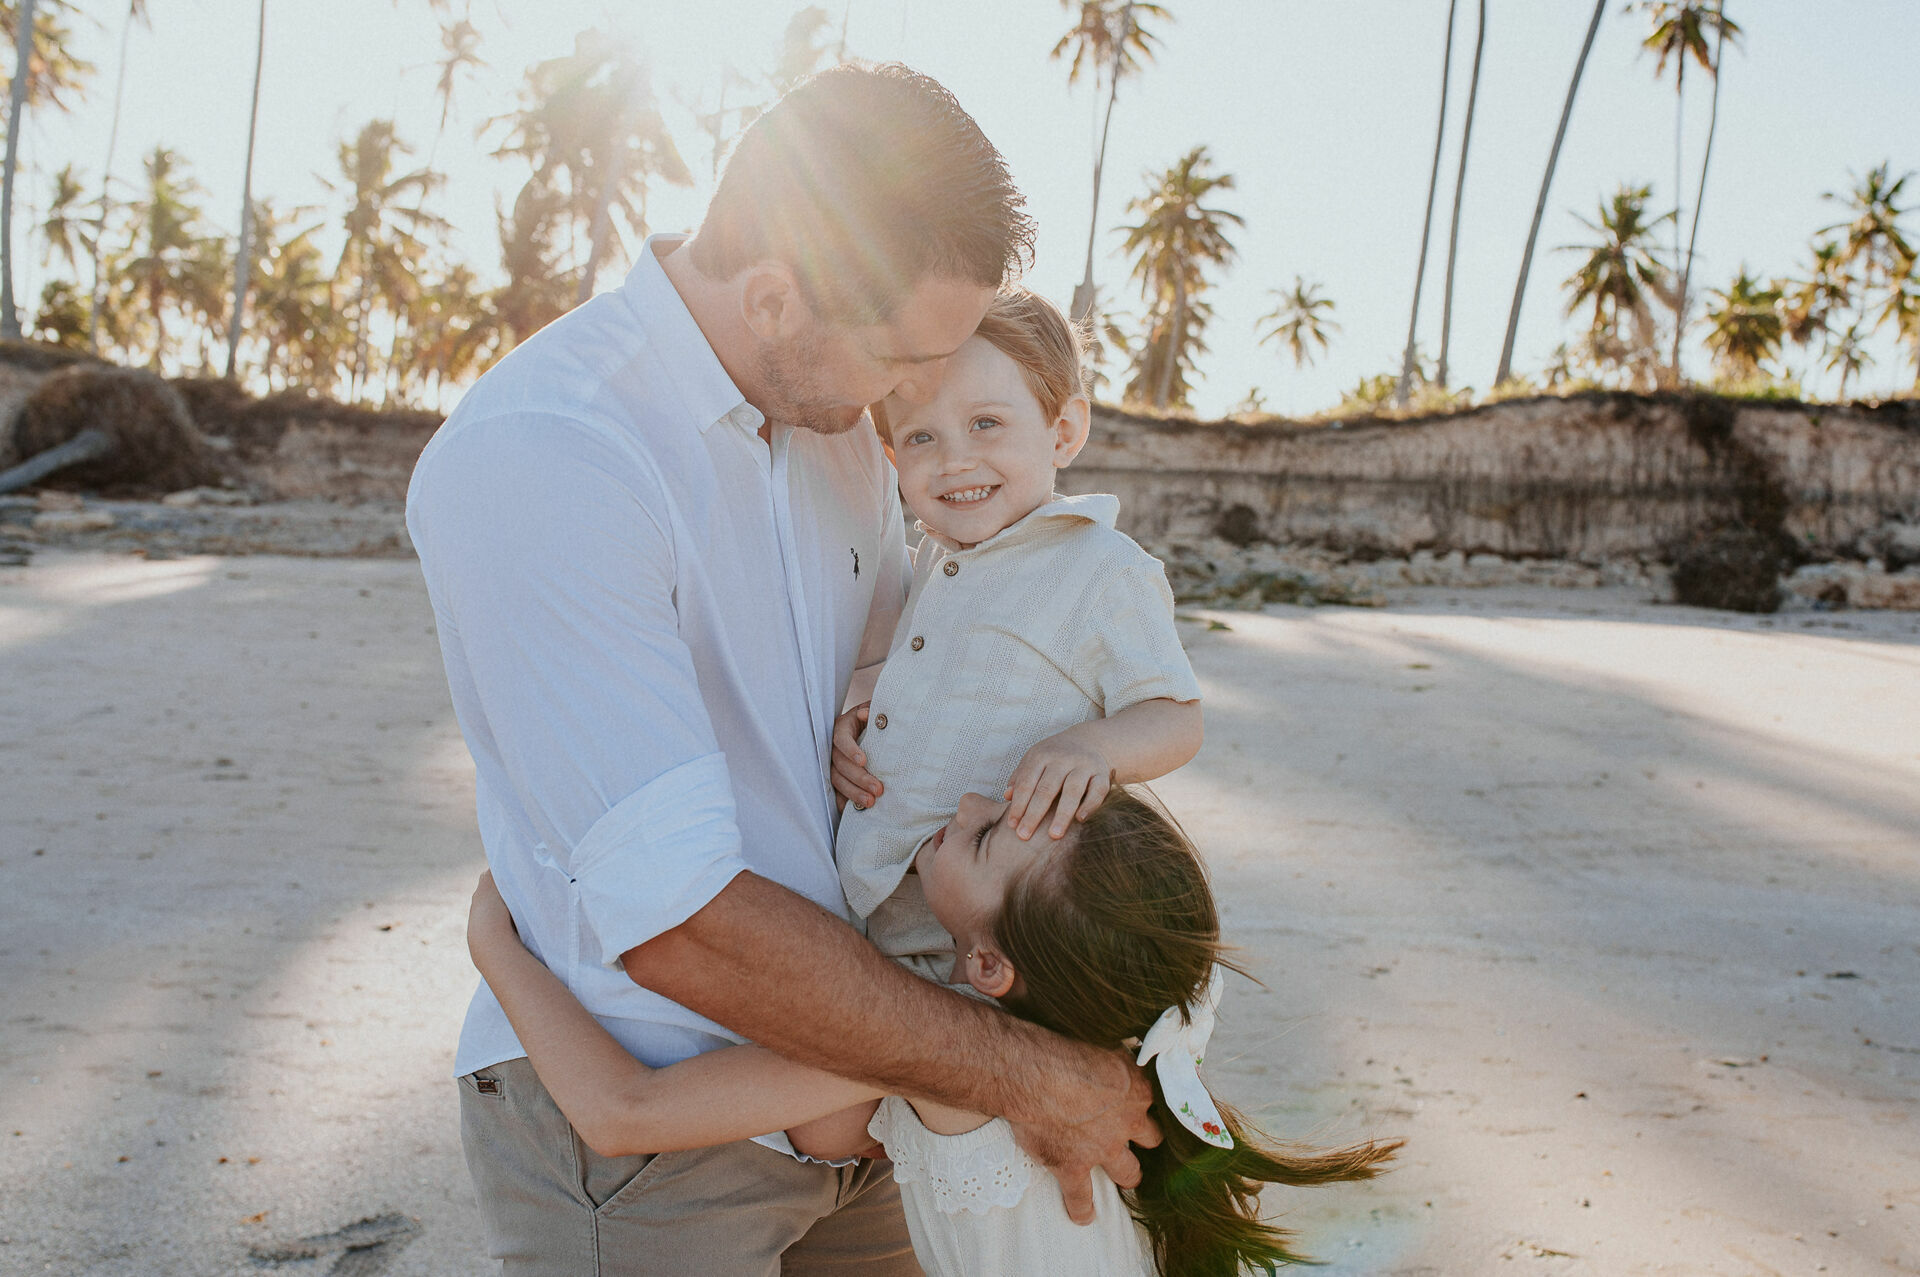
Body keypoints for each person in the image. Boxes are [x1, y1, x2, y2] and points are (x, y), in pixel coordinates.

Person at [463, 288, 1398, 1274]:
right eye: (917, 437)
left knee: (830, 1120)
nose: (952, 459)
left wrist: (495, 942)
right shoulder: (939, 564)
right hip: (906, 947)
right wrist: (870, 692)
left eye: (987, 424)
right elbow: (912, 663)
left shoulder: (1095, 568)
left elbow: (632, 1112)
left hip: (894, 978)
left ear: (1066, 427)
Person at [408, 63, 1156, 1276]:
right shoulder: (549, 457)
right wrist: (1024, 1067)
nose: (914, 396)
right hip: (657, 1148)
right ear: (772, 296)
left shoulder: (836, 421)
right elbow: (682, 926)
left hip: (882, 1112)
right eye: (906, 359)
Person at [467, 787, 1401, 1277]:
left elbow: (624, 1111)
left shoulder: (949, 1060)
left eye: (986, 836)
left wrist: (494, 947)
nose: (962, 807)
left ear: (989, 972)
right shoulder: (1153, 1019)